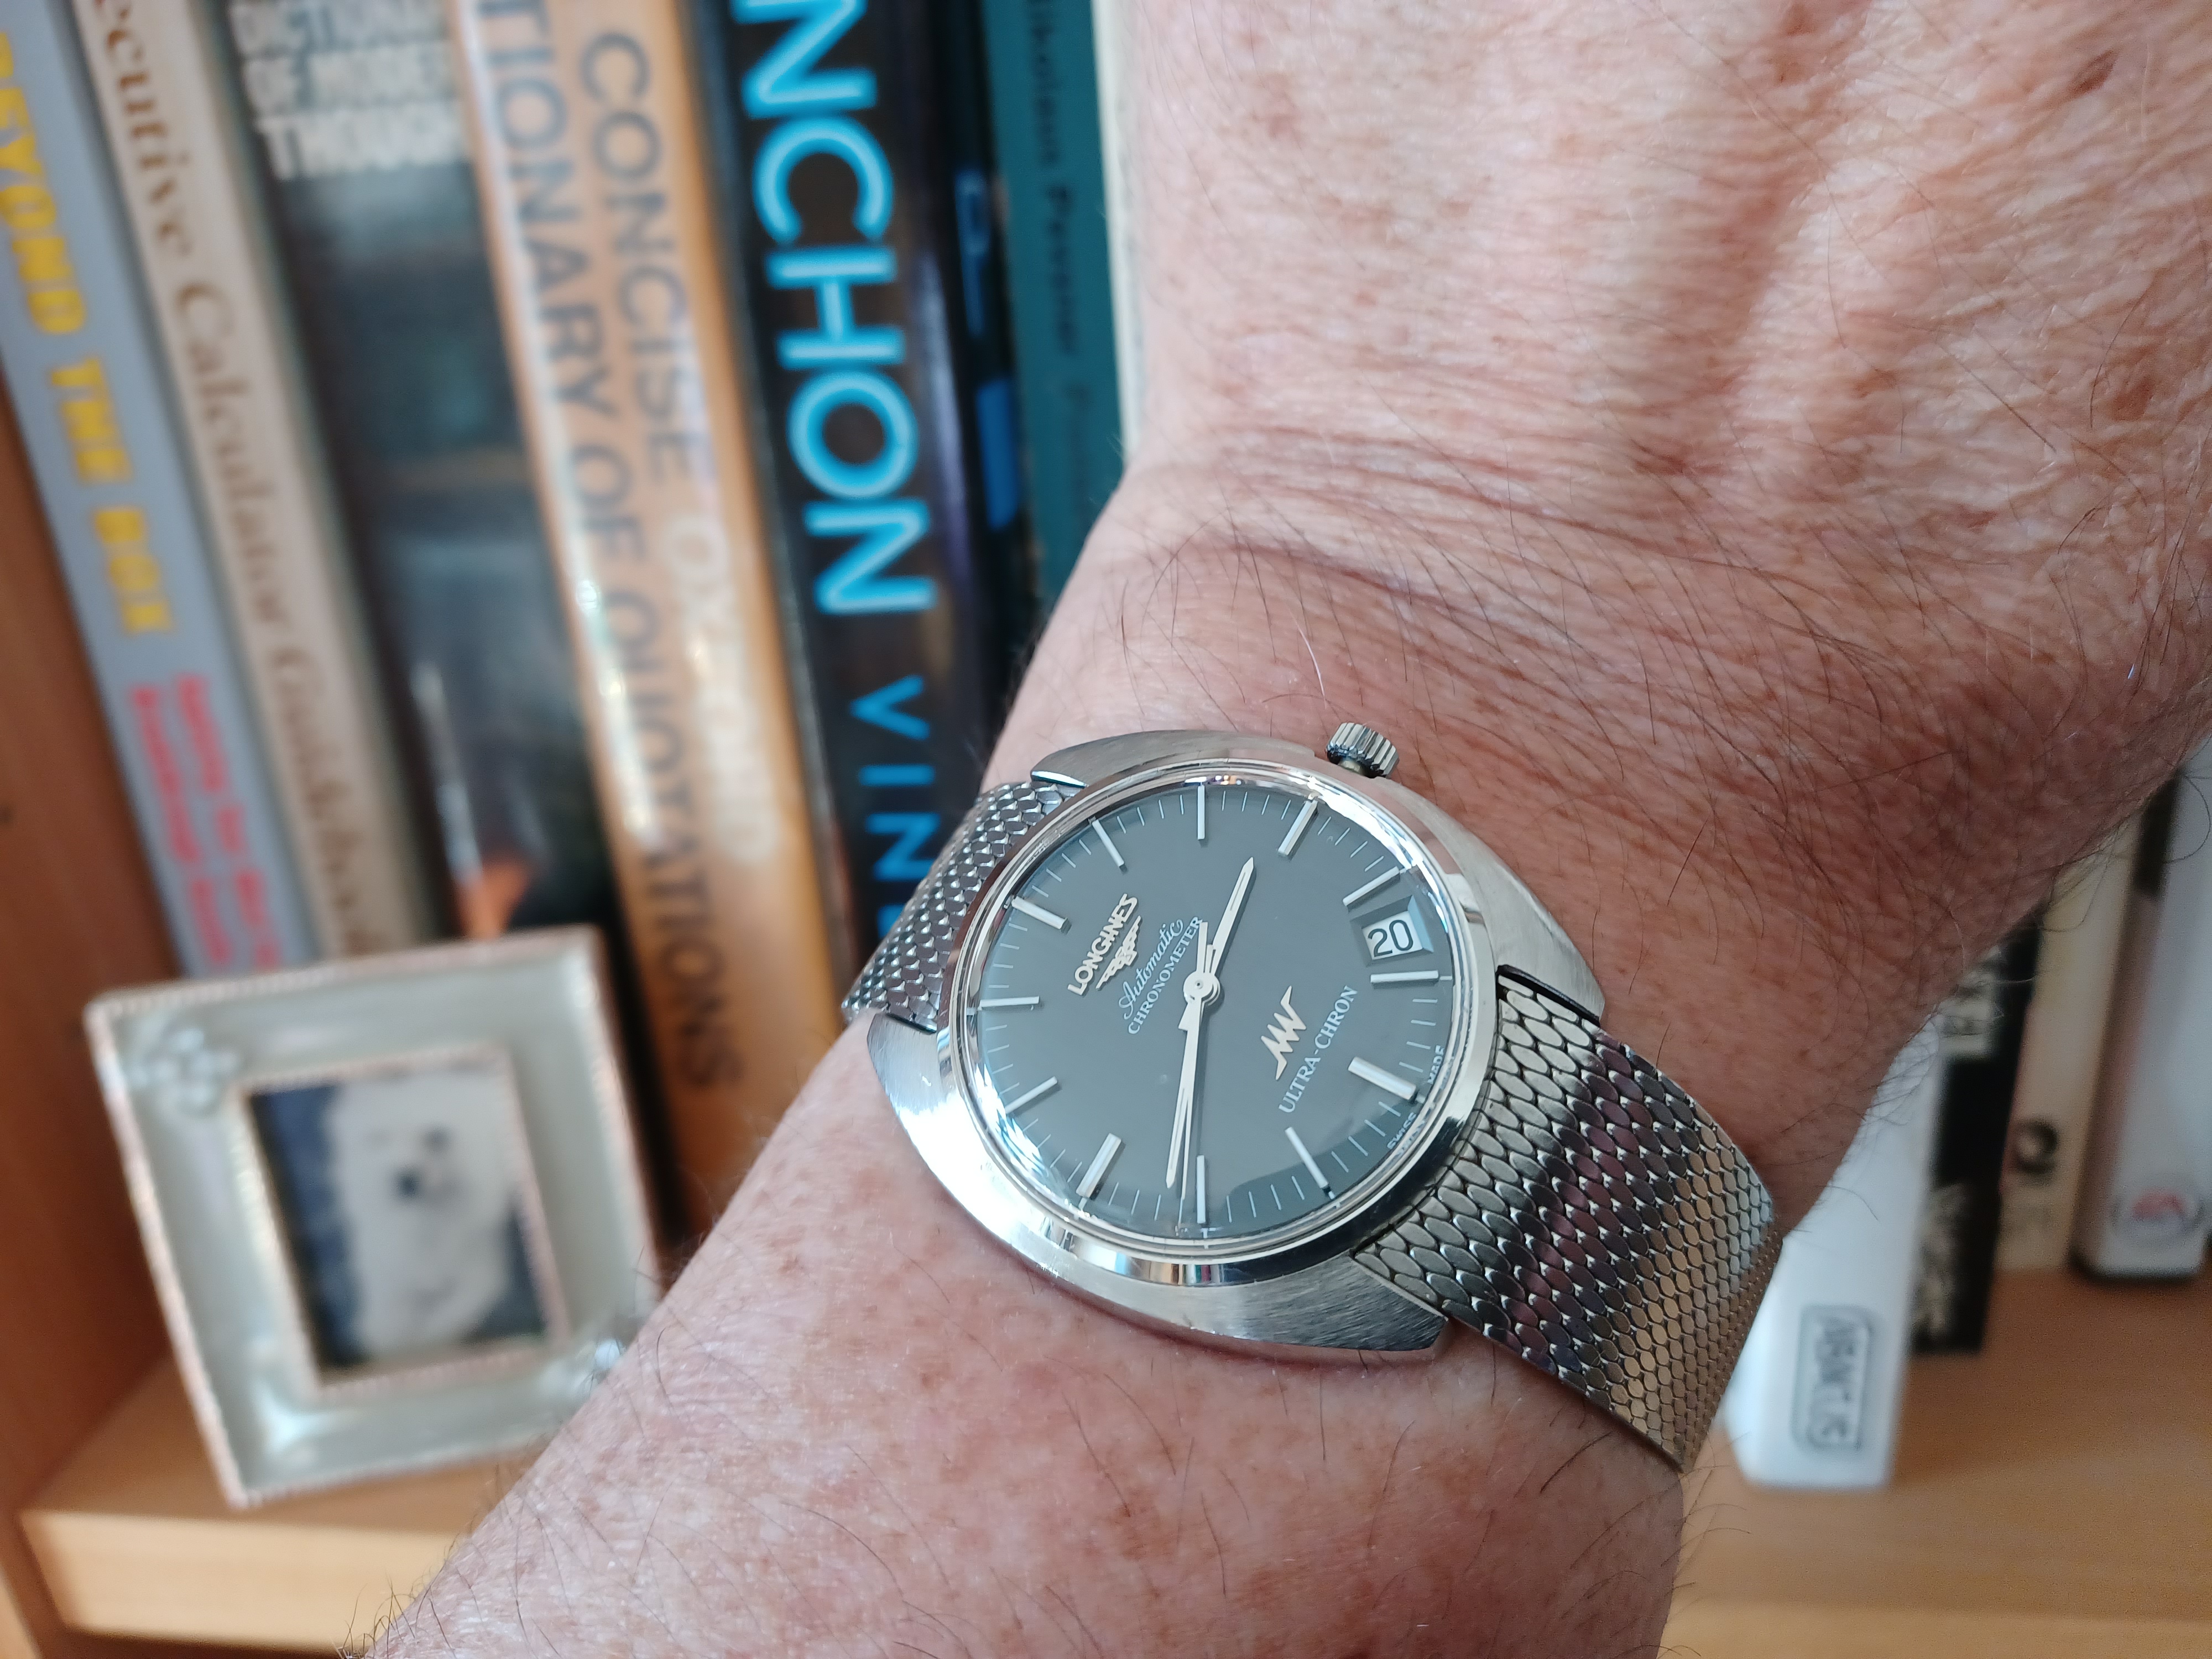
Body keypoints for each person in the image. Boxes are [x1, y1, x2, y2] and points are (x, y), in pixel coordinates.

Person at [382, 4, 2210, 1652]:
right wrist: (1523, 622)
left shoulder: (1035, 967)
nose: (1190, 998)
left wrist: (1334, 529)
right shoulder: (969, 1033)